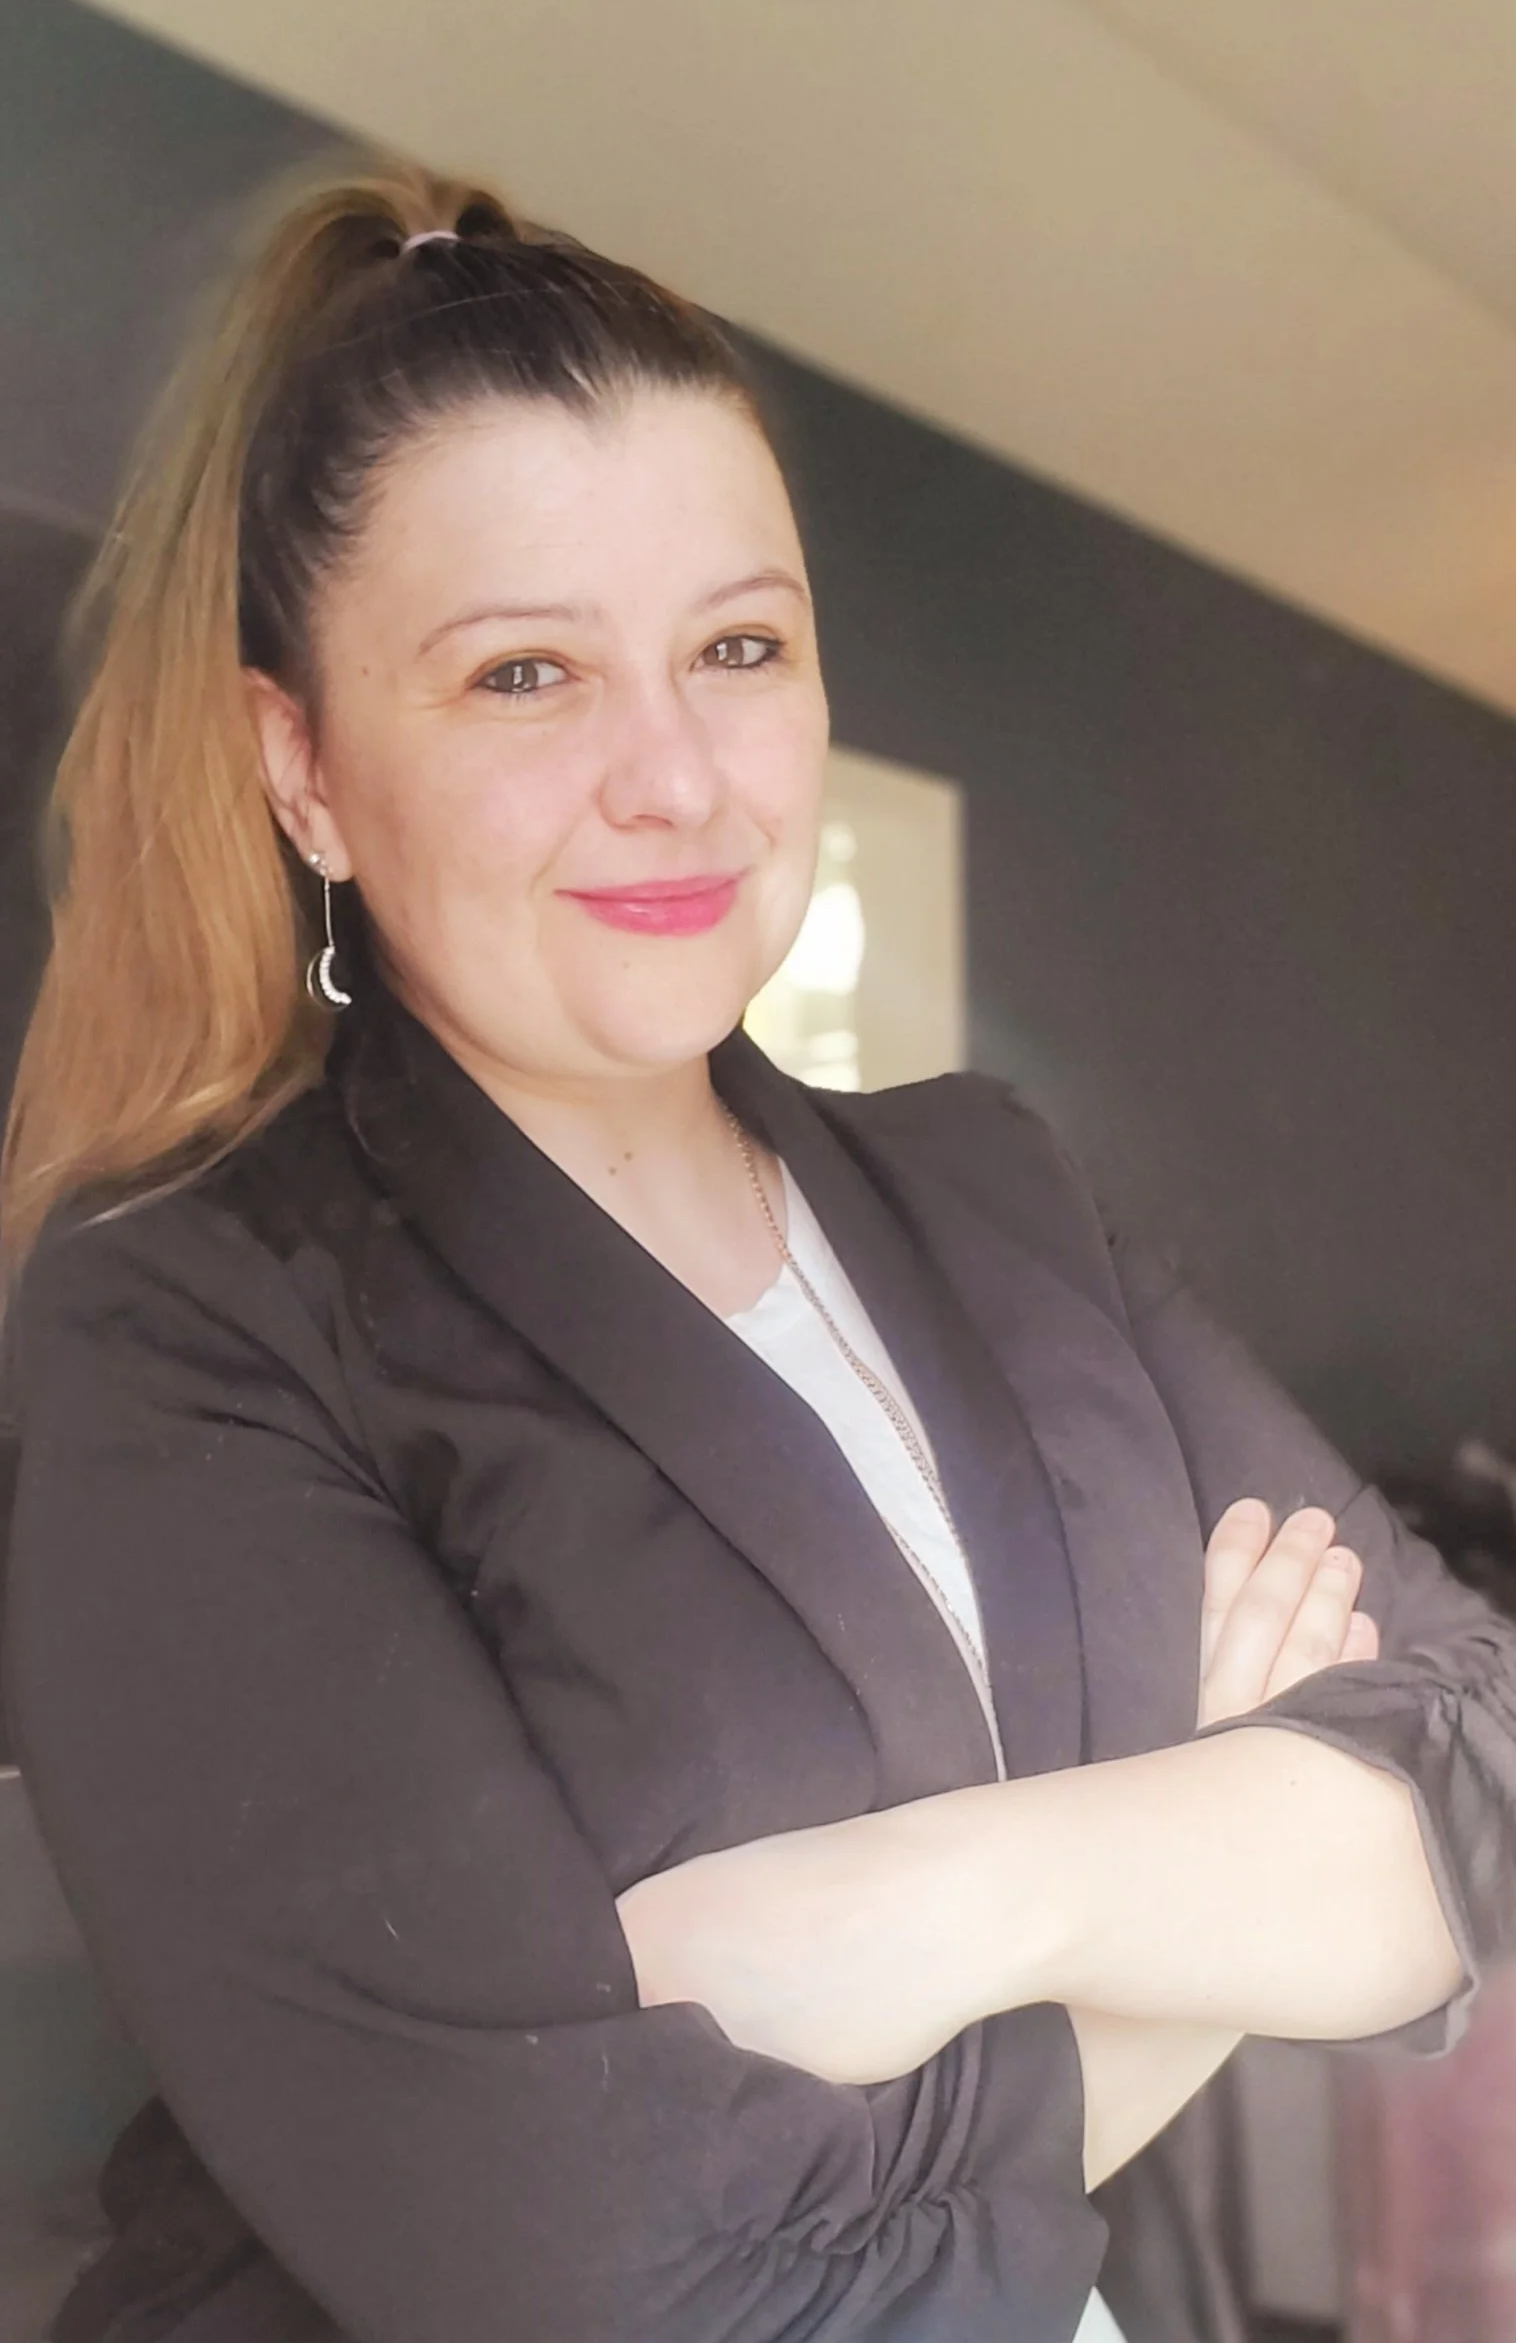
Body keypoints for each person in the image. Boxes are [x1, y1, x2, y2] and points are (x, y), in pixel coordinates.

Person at [1, 156, 1511, 2343]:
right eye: (523, 676)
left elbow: (1466, 1770)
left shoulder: (989, 1189)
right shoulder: (194, 1330)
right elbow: (636, 2290)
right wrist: (1206, 1868)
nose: (674, 779)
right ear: (302, 767)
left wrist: (938, 1901)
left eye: (736, 647)